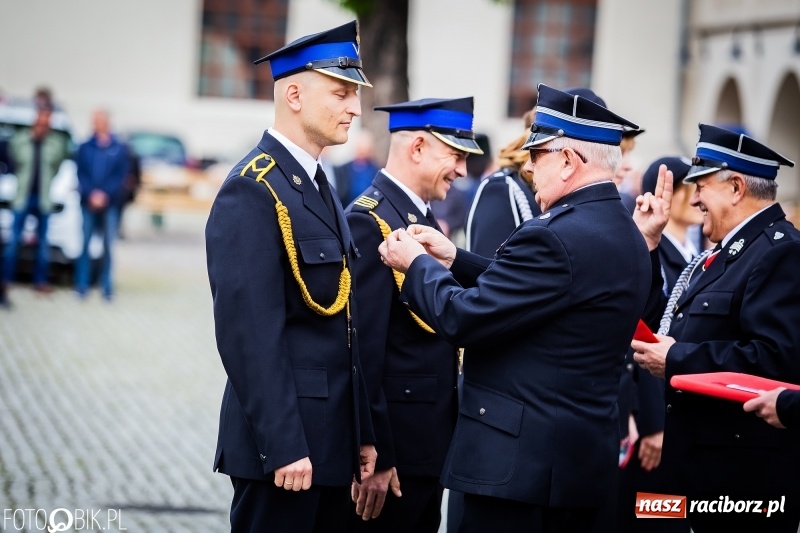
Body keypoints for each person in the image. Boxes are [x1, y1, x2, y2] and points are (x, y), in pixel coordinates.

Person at [379, 84, 652, 533]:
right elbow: (550, 293)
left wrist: (417, 266)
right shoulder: (620, 229)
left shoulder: (554, 235)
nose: (527, 165)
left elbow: (462, 318)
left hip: (519, 473)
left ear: (568, 161)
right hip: (576, 465)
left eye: (537, 154)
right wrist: (454, 259)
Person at [205, 21, 378, 532]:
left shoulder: (318, 182)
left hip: (327, 443)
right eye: (342, 93)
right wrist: (283, 446)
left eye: (356, 95)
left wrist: (360, 432)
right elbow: (248, 335)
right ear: (295, 94)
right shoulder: (253, 189)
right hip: (284, 454)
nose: (355, 108)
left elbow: (341, 327)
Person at [632, 124, 800, 532]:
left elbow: (775, 360)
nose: (696, 198)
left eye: (701, 185)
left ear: (737, 187)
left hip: (739, 484)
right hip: (690, 470)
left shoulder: (781, 252)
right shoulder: (728, 253)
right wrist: (649, 246)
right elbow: (665, 324)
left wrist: (677, 359)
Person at [344, 97, 482, 532]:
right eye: (455, 156)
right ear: (418, 148)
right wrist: (377, 453)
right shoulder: (370, 220)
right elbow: (362, 347)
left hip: (426, 442)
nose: (461, 170)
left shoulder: (419, 217)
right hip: (397, 453)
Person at [615, 157, 701, 533]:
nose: (697, 197)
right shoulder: (651, 248)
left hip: (680, 404)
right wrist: (651, 422)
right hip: (653, 411)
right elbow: (642, 334)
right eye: (689, 187)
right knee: (651, 514)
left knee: (673, 514)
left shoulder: (693, 253)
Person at [2, 105, 70, 295]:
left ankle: (40, 281)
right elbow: (13, 159)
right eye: (41, 120)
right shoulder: (22, 139)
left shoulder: (55, 142)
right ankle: (6, 280)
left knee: (42, 244)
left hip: (43, 199)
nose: (43, 124)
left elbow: (57, 165)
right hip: (22, 197)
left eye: (47, 121)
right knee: (14, 240)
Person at [74, 109, 129, 300]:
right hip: (88, 203)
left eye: (100, 120)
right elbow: (80, 173)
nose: (97, 123)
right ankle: (82, 285)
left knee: (108, 245)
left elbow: (121, 175)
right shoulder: (85, 146)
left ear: (107, 122)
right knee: (85, 244)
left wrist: (105, 194)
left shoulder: (119, 148)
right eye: (94, 120)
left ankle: (106, 286)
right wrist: (91, 194)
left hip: (110, 203)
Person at [335, 133, 380, 205]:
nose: (362, 153)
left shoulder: (376, 169)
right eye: (360, 149)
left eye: (365, 150)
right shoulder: (343, 169)